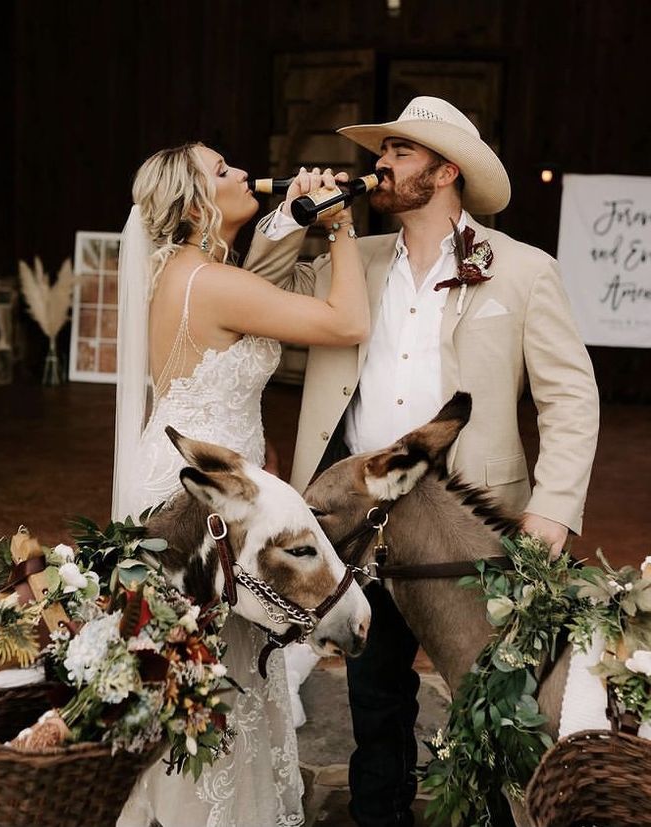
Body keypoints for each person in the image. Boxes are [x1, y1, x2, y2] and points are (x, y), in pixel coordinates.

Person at [245, 96, 600, 827]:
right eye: (384, 152)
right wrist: (296, 214)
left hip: (474, 529)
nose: (380, 164)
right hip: (364, 525)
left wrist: (552, 512)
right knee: (375, 696)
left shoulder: (525, 272)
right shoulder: (354, 260)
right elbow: (260, 290)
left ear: (446, 172)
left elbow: (572, 399)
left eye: (400, 153)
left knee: (495, 701)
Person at [111, 143, 369, 827]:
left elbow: (258, 281)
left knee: (207, 670)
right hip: (201, 500)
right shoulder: (212, 283)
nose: (238, 171)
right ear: (197, 204)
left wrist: (289, 219)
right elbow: (347, 322)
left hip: (195, 477)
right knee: (212, 670)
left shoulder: (189, 274)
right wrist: (339, 225)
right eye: (220, 171)